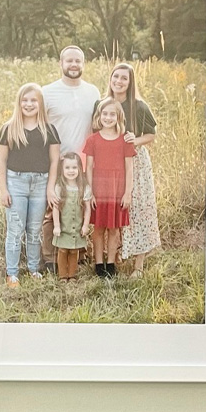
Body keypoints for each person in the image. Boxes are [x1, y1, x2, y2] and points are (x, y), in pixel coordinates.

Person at [41, 46, 101, 273]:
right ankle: (50, 259)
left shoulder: (93, 92)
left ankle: (79, 253)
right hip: (56, 160)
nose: (73, 65)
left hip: (85, 162)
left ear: (83, 63)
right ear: (61, 63)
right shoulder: (48, 92)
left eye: (78, 61)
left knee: (80, 205)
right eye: (69, 61)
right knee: (53, 206)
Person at [0, 84, 61, 288]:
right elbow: (1, 161)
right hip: (16, 183)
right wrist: (3, 189)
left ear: (40, 103)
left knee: (34, 230)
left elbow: (54, 162)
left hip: (40, 184)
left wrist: (50, 188)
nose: (29, 104)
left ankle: (33, 269)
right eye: (25, 100)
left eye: (33, 100)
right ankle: (12, 273)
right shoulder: (8, 128)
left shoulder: (49, 130)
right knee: (15, 230)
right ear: (19, 103)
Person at [104, 64, 161, 277]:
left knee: (138, 210)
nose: (119, 81)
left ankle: (138, 265)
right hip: (110, 164)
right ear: (110, 79)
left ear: (130, 82)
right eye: (115, 76)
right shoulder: (103, 105)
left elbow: (151, 135)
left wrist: (135, 140)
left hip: (136, 164)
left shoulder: (138, 106)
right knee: (115, 210)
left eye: (124, 78)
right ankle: (115, 256)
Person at [81, 99, 135, 279]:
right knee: (99, 228)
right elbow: (88, 167)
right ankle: (98, 263)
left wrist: (127, 193)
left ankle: (110, 263)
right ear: (99, 116)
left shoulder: (125, 140)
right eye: (105, 114)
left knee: (113, 228)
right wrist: (90, 192)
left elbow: (129, 168)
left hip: (117, 188)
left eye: (112, 114)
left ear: (119, 117)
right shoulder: (93, 140)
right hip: (99, 188)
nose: (108, 117)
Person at [51, 152, 93, 280]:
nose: (71, 171)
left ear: (80, 169)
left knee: (74, 250)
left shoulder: (84, 187)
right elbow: (56, 208)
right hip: (64, 227)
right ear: (62, 169)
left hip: (77, 227)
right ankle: (63, 276)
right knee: (63, 250)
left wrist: (85, 225)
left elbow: (87, 209)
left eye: (74, 168)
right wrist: (57, 226)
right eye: (67, 168)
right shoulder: (59, 187)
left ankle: (72, 275)